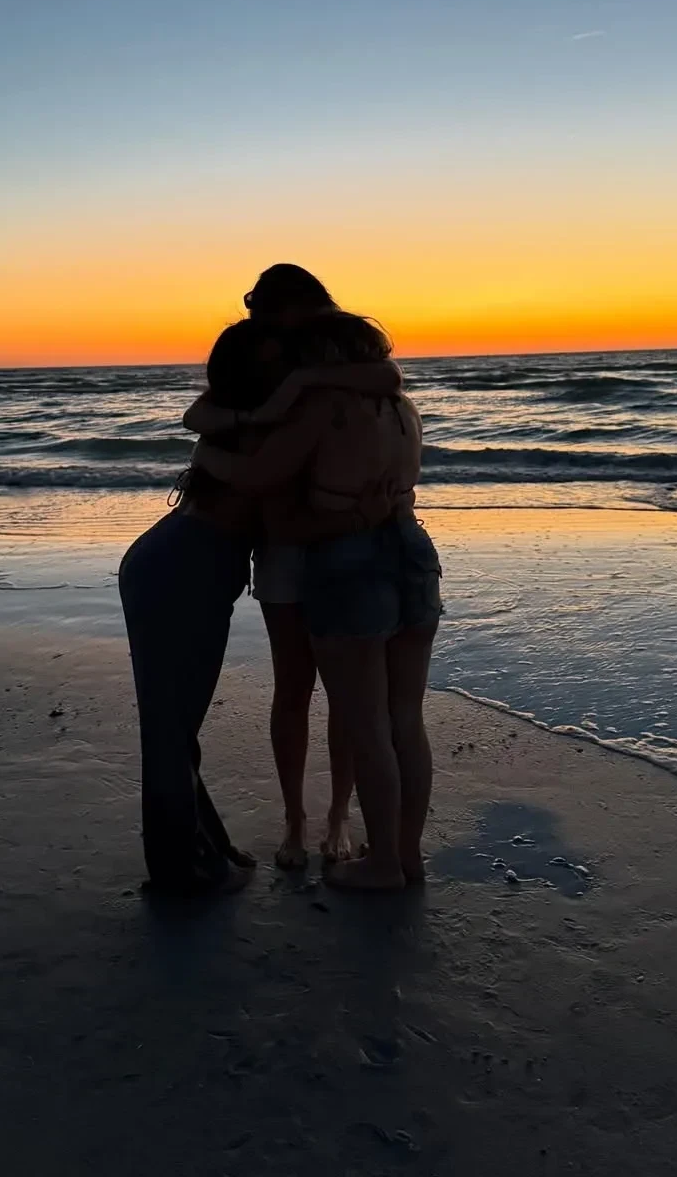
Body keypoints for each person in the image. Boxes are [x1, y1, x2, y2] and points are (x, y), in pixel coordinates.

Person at [119, 319, 393, 898]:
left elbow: (381, 377)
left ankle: (204, 849)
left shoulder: (244, 419)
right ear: (253, 371)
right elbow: (281, 516)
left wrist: (302, 386)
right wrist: (360, 515)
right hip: (180, 569)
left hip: (177, 565)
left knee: (176, 727)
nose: (286, 369)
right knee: (170, 731)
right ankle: (180, 874)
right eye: (275, 362)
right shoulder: (256, 428)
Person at [193, 310, 442, 892]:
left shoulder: (326, 408)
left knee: (366, 723)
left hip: (349, 559)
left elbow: (260, 476)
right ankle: (406, 856)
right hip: (411, 547)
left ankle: (381, 864)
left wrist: (207, 458)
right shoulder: (404, 409)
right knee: (405, 718)